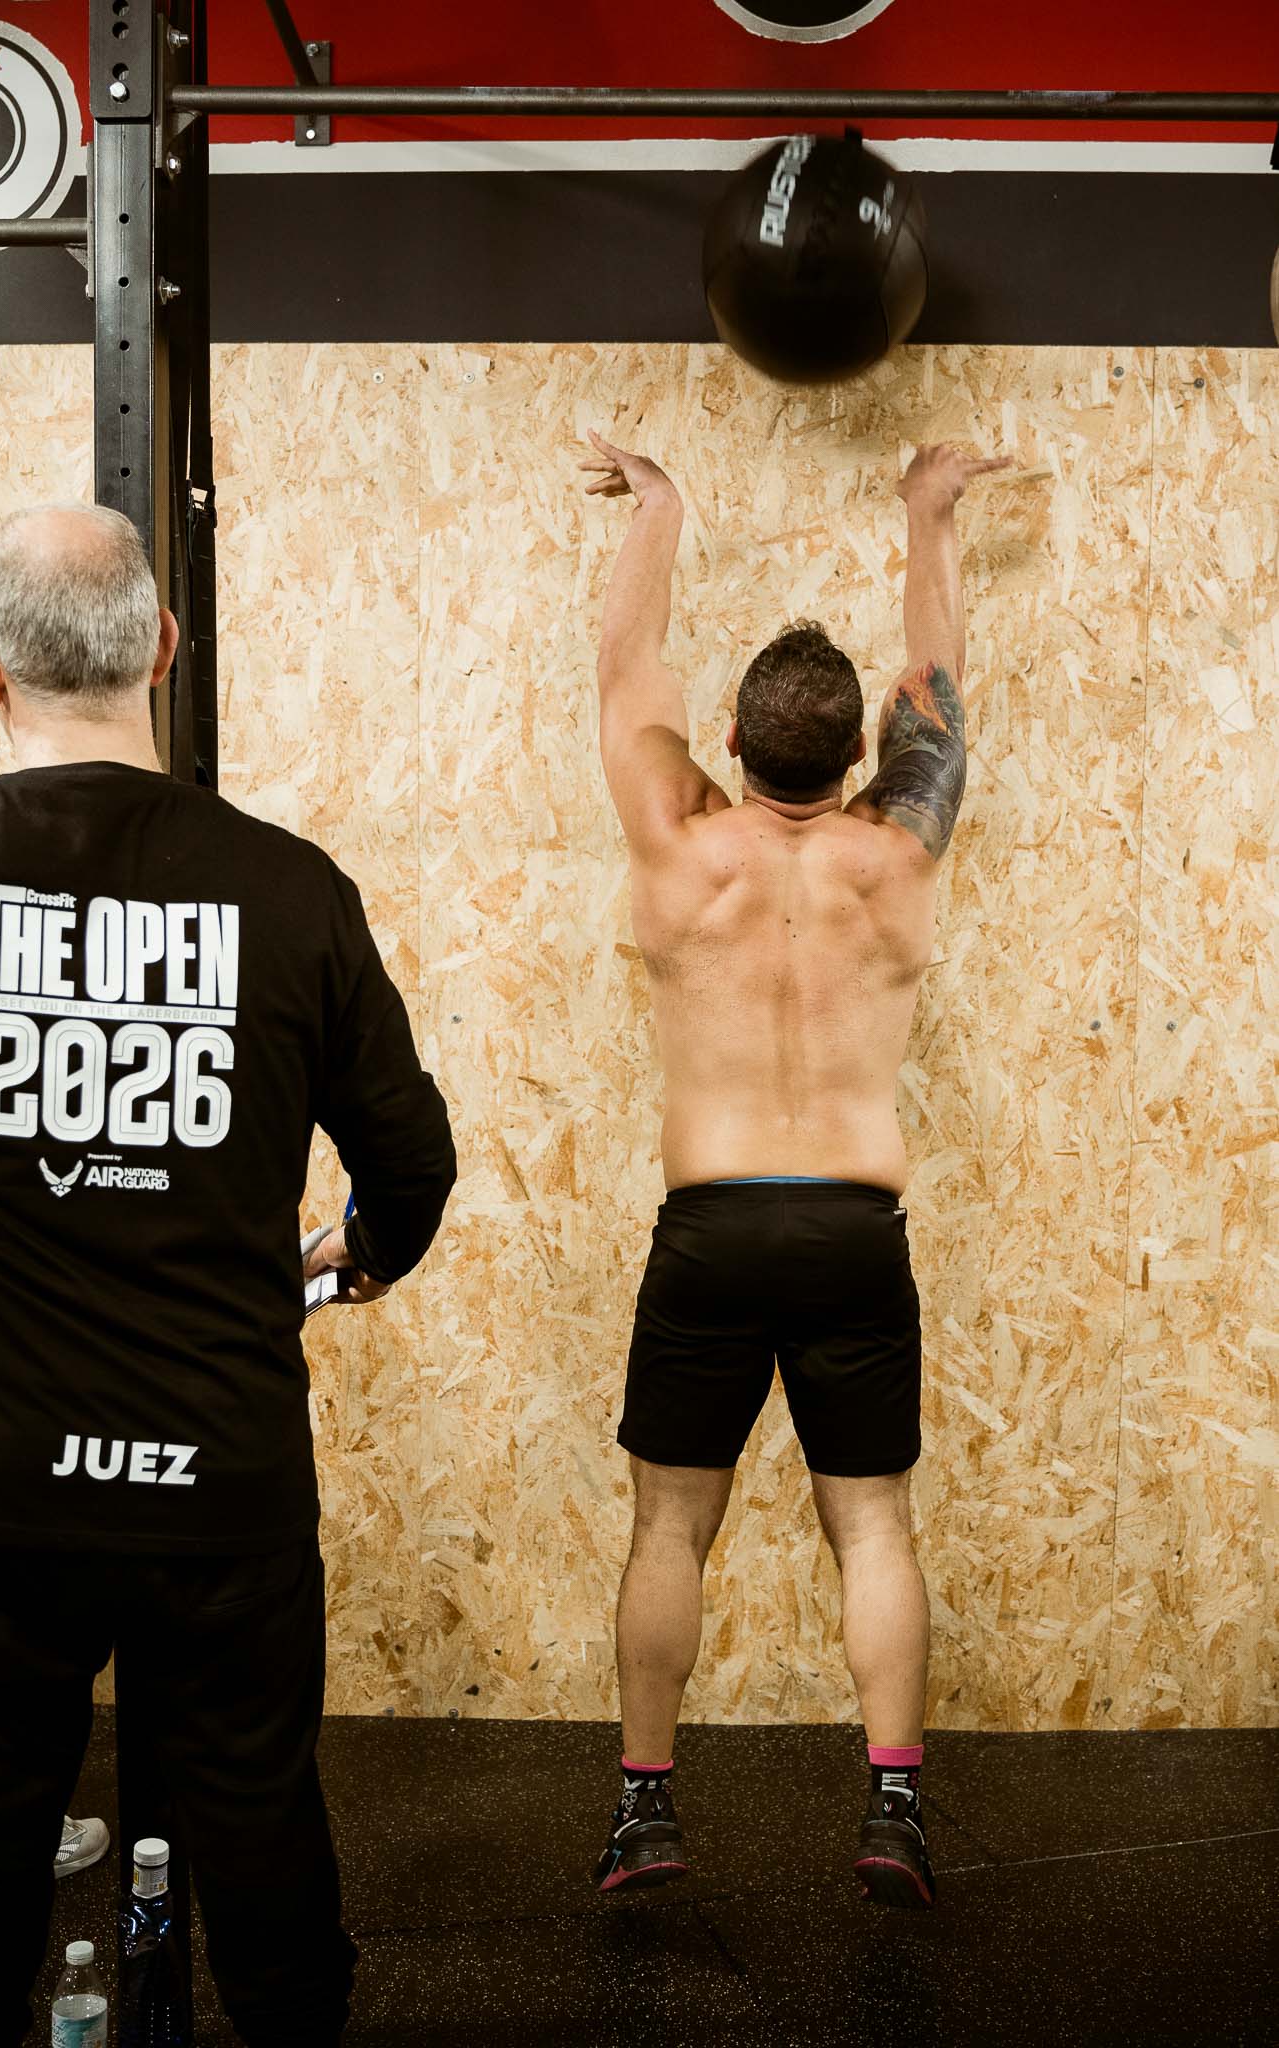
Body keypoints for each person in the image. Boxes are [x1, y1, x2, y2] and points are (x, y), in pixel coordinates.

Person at [0, 506, 456, 2043]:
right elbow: (411, 1171)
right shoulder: (289, 889)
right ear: (163, 647)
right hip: (217, 1476)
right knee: (259, 1815)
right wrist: (348, 1265)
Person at [579, 429, 1008, 1908]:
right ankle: (894, 1808)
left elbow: (624, 672)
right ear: (854, 757)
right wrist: (928, 511)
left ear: (737, 744)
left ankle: (646, 1813)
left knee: (669, 1524)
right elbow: (936, 687)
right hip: (850, 1228)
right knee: (872, 1522)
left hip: (710, 1228)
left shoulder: (677, 835)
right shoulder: (898, 850)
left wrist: (660, 508)